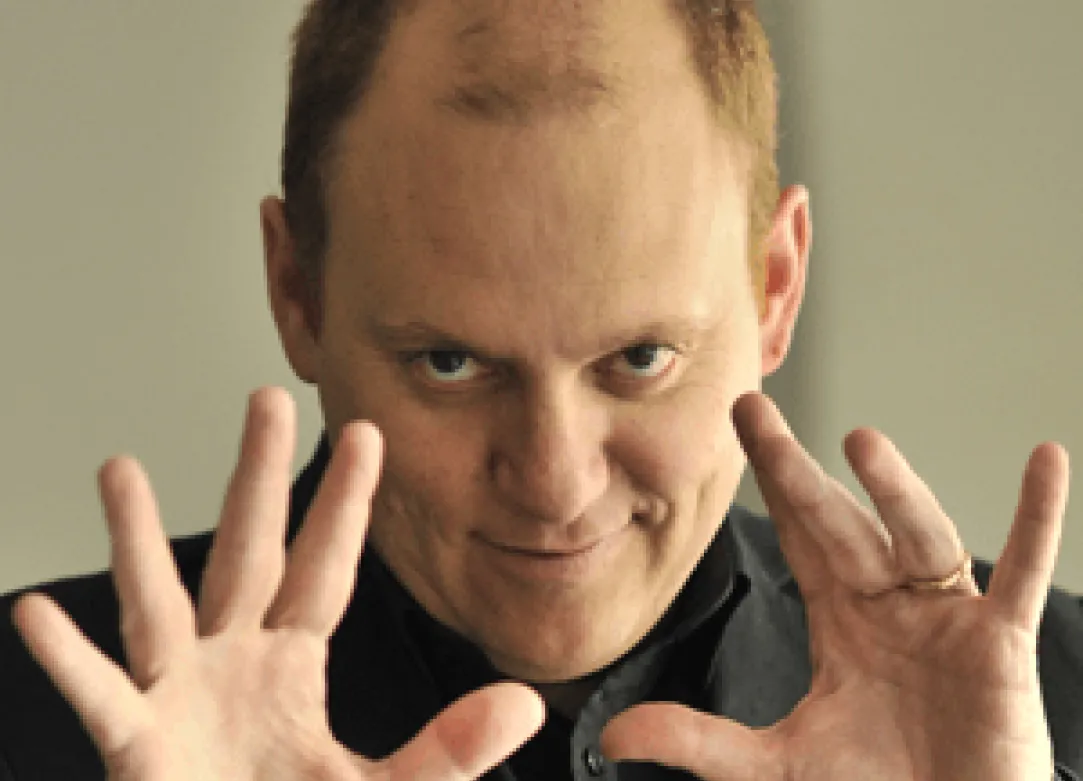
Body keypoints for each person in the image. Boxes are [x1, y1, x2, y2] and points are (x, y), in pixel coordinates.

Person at [1, 0, 1081, 779]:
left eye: (642, 358)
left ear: (776, 287)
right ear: (299, 294)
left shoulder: (1047, 715)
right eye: (449, 363)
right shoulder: (23, 722)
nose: (557, 484)